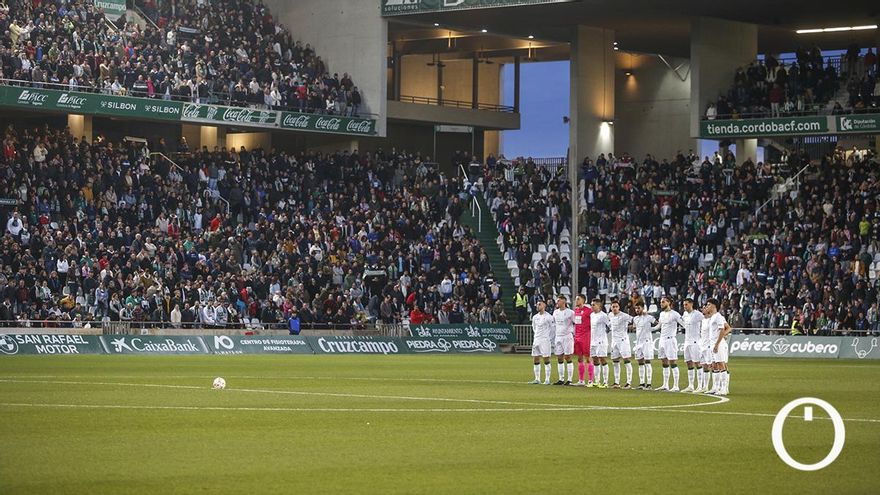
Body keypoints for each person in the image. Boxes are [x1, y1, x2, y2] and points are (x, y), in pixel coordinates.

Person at [655, 296, 683, 391]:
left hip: (670, 340)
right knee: (664, 361)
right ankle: (665, 385)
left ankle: (676, 386)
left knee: (672, 362)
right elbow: (659, 326)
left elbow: (684, 324)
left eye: (663, 302)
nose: (661, 303)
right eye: (661, 302)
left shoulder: (675, 314)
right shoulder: (661, 314)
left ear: (669, 302)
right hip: (662, 339)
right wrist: (649, 329)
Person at [705, 298, 732, 395]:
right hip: (713, 343)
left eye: (708, 304)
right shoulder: (712, 317)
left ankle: (724, 388)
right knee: (715, 365)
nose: (707, 306)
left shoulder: (718, 316)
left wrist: (717, 344)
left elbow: (722, 329)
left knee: (721, 364)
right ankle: (716, 387)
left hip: (718, 343)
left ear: (714, 306)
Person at [608, 300, 634, 389]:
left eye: (616, 307)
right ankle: (617, 382)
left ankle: (629, 382)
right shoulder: (610, 315)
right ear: (611, 307)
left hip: (623, 340)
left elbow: (634, 319)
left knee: (626, 360)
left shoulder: (624, 316)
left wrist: (632, 326)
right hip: (614, 341)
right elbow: (610, 325)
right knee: (615, 361)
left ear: (619, 307)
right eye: (613, 307)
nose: (615, 308)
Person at [681, 298, 704, 393]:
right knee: (688, 362)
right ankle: (691, 385)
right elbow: (683, 324)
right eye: (684, 305)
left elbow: (706, 321)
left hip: (695, 341)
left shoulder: (698, 314)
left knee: (697, 363)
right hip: (687, 341)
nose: (684, 306)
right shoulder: (685, 314)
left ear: (691, 304)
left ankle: (700, 386)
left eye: (686, 304)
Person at [632, 301, 656, 390]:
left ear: (643, 308)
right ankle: (642, 383)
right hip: (638, 343)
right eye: (636, 308)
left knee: (647, 362)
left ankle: (649, 384)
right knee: (640, 362)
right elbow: (635, 328)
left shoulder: (649, 317)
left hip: (647, 342)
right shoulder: (635, 319)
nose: (637, 310)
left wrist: (651, 329)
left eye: (639, 308)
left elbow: (658, 324)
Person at [552, 295, 575, 385]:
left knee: (568, 357)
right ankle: (561, 379)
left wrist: (574, 333)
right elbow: (554, 324)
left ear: (564, 302)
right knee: (559, 357)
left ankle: (569, 379)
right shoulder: (555, 312)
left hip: (567, 336)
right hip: (558, 336)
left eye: (559, 300)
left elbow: (576, 323)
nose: (557, 302)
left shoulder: (570, 312)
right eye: (557, 300)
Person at [530, 300, 555, 385]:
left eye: (539, 304)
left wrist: (548, 338)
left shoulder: (549, 317)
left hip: (545, 340)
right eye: (537, 305)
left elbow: (552, 329)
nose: (537, 306)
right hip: (536, 339)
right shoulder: (535, 317)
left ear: (544, 305)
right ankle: (537, 379)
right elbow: (534, 328)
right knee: (535, 358)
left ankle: (547, 379)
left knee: (546, 359)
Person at [572, 294, 594, 386]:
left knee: (588, 358)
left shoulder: (588, 311)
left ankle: (591, 380)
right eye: (576, 299)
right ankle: (581, 380)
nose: (576, 301)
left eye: (578, 299)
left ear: (583, 301)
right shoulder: (576, 311)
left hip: (586, 337)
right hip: (577, 337)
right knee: (579, 358)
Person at [589, 299, 610, 388]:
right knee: (595, 360)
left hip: (601, 341)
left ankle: (605, 382)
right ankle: (597, 381)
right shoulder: (592, 315)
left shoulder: (603, 315)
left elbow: (610, 325)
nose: (592, 306)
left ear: (599, 306)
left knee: (602, 359)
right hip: (593, 340)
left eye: (593, 305)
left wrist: (603, 334)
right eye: (591, 305)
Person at [697, 309, 713, 393]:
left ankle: (716, 386)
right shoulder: (703, 320)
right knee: (704, 366)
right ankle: (705, 387)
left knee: (712, 366)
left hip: (709, 346)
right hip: (702, 345)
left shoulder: (711, 320)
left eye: (705, 307)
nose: (703, 309)